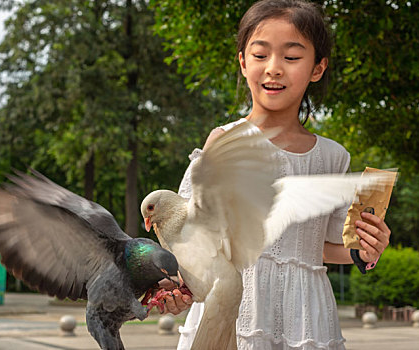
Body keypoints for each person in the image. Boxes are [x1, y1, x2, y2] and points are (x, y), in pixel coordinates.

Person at [159, 0, 391, 349]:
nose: (274, 68)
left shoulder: (333, 157)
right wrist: (178, 287)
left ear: (317, 67)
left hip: (306, 315)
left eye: (292, 57)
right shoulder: (223, 141)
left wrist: (366, 250)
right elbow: (191, 238)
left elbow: (321, 247)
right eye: (260, 54)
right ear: (242, 62)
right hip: (234, 311)